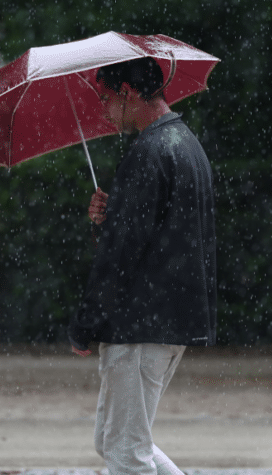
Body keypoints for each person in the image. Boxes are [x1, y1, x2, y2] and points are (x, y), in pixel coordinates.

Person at [67, 56, 217, 475]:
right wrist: (111, 217)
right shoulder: (186, 145)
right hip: (171, 322)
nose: (102, 109)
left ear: (128, 93)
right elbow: (161, 233)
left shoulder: (147, 153)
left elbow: (120, 253)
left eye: (105, 98)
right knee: (116, 440)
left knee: (125, 451)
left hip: (140, 326)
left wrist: (86, 324)